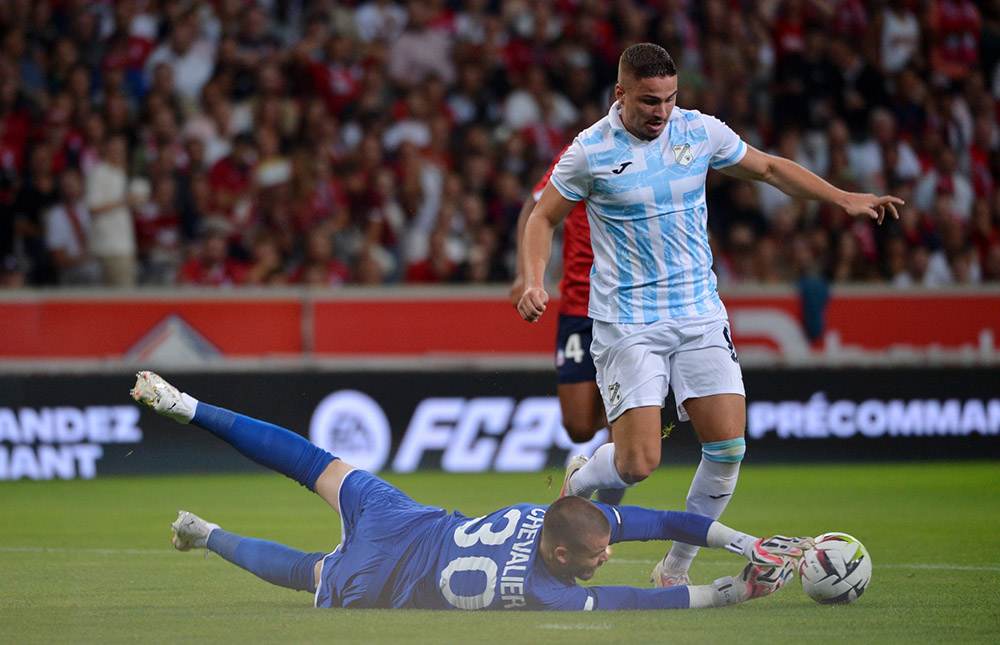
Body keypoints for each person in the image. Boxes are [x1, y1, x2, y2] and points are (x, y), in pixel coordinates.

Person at [516, 43, 902, 588]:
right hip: (629, 322)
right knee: (637, 465)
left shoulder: (699, 131)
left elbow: (768, 168)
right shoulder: (590, 151)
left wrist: (840, 198)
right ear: (620, 94)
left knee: (727, 448)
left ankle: (674, 569)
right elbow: (542, 218)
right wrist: (535, 280)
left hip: (699, 313)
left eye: (670, 99)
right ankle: (582, 478)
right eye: (649, 101)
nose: (662, 111)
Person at [130, 370, 812, 611]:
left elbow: (660, 522)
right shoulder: (546, 593)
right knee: (304, 572)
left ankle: (187, 406)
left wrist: (746, 544)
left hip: (406, 519)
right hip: (382, 577)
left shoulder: (554, 518)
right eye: (597, 554)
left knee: (311, 461)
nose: (607, 555)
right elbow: (639, 598)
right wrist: (731, 590)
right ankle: (207, 535)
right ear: (561, 554)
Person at [510, 148, 623, 506]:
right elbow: (535, 207)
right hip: (578, 305)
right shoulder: (584, 151)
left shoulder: (657, 155)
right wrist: (524, 274)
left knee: (623, 423)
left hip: (628, 310)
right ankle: (594, 468)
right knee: (578, 426)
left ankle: (605, 514)